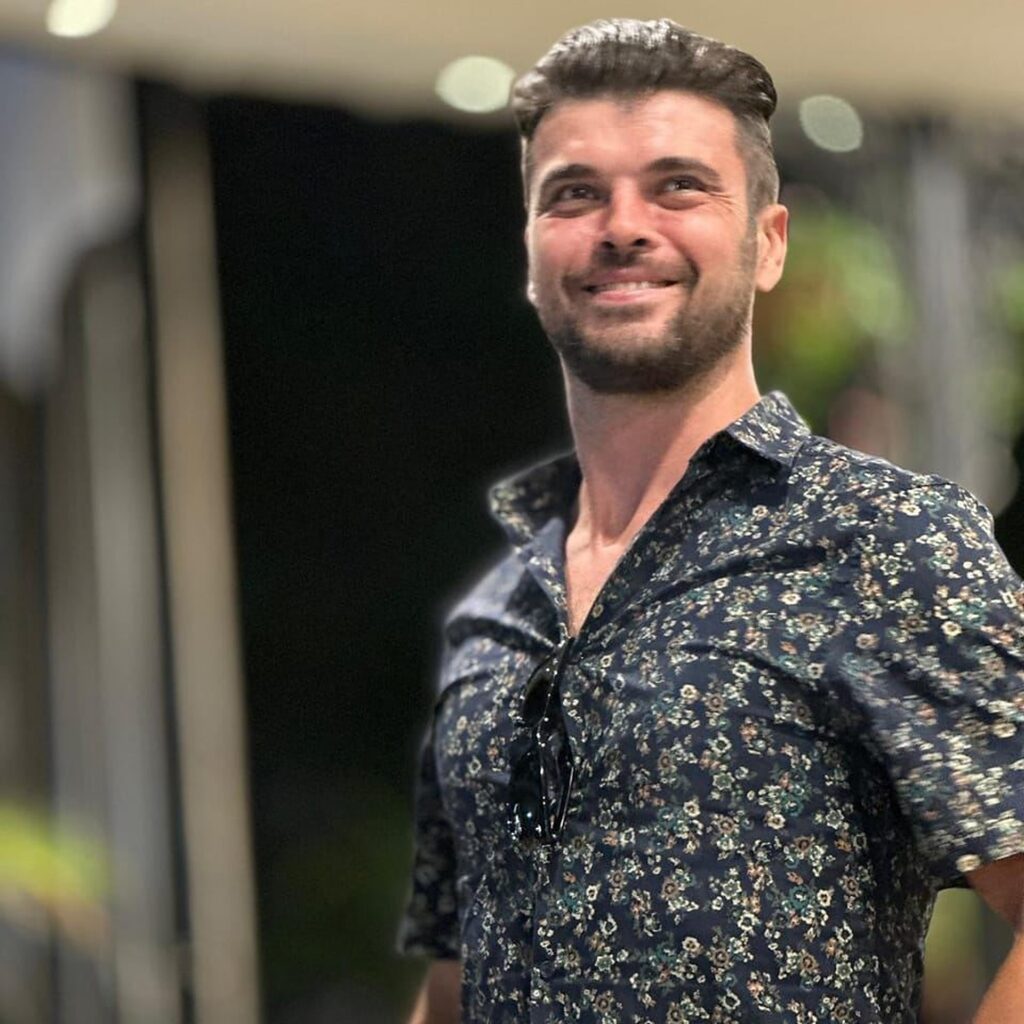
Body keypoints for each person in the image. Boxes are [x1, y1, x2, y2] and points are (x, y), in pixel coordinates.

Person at [397, 18, 1024, 1024]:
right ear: (531, 254)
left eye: (678, 186)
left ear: (767, 244)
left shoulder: (882, 539)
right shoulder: (497, 607)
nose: (622, 225)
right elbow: (457, 971)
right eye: (574, 193)